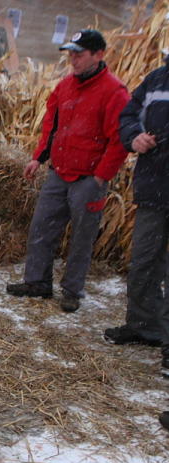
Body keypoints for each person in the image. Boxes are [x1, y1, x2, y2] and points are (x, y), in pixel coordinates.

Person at [6, 29, 129, 313]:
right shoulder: (64, 87)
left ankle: (72, 291)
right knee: (41, 227)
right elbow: (51, 126)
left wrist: (100, 177)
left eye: (79, 54)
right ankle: (37, 282)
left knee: (81, 238)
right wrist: (39, 158)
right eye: (70, 53)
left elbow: (119, 141)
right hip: (58, 172)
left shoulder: (115, 92)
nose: (72, 59)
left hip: (89, 178)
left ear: (98, 55)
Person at [103, 50, 169, 362]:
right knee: (143, 261)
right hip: (154, 190)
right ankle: (144, 325)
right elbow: (128, 116)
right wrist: (134, 138)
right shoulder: (157, 79)